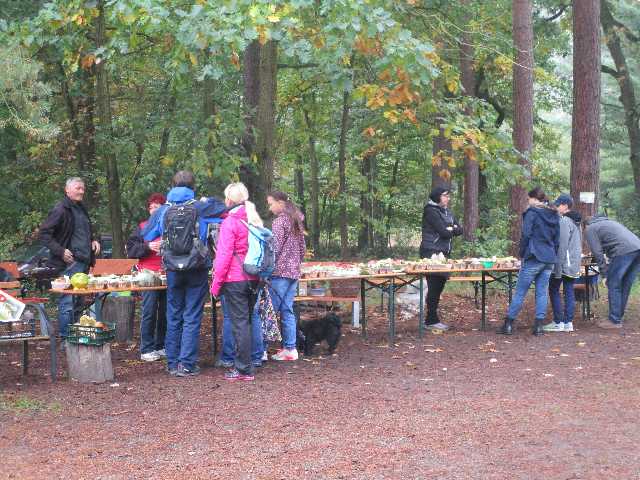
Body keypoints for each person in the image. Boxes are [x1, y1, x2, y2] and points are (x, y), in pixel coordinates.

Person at [141, 171, 226, 377]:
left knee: (174, 314)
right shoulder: (200, 207)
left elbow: (147, 234)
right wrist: (209, 200)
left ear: (173, 185)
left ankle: (172, 362)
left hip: (172, 269)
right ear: (192, 186)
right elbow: (225, 209)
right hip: (197, 267)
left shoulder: (163, 210)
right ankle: (187, 364)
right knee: (192, 314)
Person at [211, 182, 263, 381]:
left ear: (229, 200)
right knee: (247, 322)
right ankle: (247, 364)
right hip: (254, 278)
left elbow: (223, 257)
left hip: (235, 279)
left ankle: (243, 369)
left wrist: (215, 285)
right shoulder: (254, 220)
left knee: (239, 324)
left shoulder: (230, 223)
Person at [39, 177, 100, 341]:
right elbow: (44, 234)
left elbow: (85, 230)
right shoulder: (61, 209)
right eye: (78, 188)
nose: (81, 191)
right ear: (67, 190)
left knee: (79, 302)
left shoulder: (81, 208)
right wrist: (60, 251)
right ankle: (66, 339)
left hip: (84, 262)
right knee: (67, 302)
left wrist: (93, 240)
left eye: (83, 188)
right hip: (69, 263)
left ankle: (77, 337)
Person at [499, 187, 559, 336]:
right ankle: (538, 326)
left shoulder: (532, 213)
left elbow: (526, 234)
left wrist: (522, 253)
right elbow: (557, 239)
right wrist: (552, 252)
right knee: (541, 292)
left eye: (528, 199)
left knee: (520, 291)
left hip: (534, 256)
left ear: (533, 199)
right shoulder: (553, 214)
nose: (528, 201)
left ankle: (508, 324)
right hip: (549, 258)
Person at [126, 193, 167, 362]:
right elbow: (131, 250)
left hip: (166, 274)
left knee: (164, 311)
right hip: (147, 275)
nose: (152, 210)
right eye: (150, 207)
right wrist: (148, 246)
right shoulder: (142, 227)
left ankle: (161, 345)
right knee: (149, 311)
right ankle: (146, 348)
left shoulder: (169, 226)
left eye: (156, 207)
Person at [266, 191, 307, 361]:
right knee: (287, 310)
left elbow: (274, 249)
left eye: (270, 203)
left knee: (270, 311)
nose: (269, 207)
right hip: (293, 273)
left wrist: (267, 267)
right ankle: (290, 349)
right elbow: (302, 248)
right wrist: (295, 262)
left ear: (280, 203)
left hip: (279, 273)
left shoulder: (279, 222)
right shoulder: (296, 220)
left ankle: (261, 350)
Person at [584, 214, 640, 329]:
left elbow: (597, 252)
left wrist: (604, 274)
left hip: (623, 251)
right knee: (624, 284)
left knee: (613, 284)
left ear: (585, 225)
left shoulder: (590, 228)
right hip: (637, 248)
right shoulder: (609, 222)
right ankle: (617, 317)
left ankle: (614, 320)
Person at [419, 186, 463, 331]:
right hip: (431, 253)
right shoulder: (430, 210)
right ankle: (431, 320)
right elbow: (444, 231)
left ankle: (431, 319)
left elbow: (460, 229)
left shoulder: (447, 211)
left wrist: (452, 228)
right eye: (445, 196)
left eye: (448, 196)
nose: (447, 198)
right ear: (437, 196)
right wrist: (451, 228)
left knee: (439, 286)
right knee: (434, 286)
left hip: (444, 253)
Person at [543, 194, 582, 333]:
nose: (556, 207)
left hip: (564, 263)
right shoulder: (575, 220)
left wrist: (557, 268)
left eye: (558, 205)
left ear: (565, 205)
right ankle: (568, 323)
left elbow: (562, 246)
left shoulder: (565, 221)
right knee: (569, 291)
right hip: (573, 263)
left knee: (553, 289)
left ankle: (559, 322)